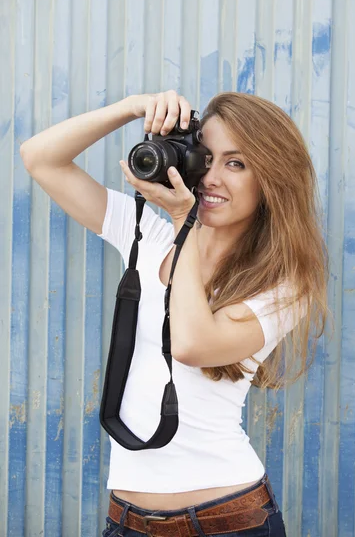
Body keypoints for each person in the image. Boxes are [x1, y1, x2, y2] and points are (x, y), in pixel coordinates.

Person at [21, 90, 328, 536]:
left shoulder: (284, 284)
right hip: (126, 521)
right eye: (206, 157)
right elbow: (40, 158)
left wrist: (186, 222)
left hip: (226, 521)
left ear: (271, 179)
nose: (211, 178)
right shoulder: (149, 233)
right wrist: (133, 107)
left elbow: (191, 345)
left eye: (236, 164)